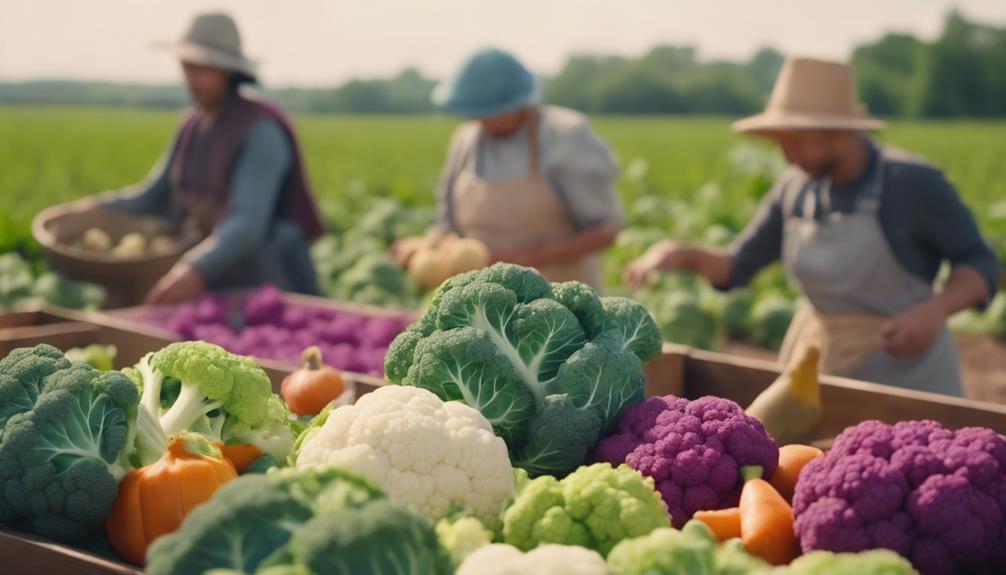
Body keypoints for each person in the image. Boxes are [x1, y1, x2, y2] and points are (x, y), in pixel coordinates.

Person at [625, 57, 1001, 396]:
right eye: (781, 142)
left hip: (907, 375)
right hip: (821, 367)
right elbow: (737, 266)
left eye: (798, 141)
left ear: (841, 132)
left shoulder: (911, 183)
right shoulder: (794, 187)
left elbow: (982, 265)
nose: (788, 154)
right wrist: (682, 254)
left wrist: (934, 312)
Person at [101, 12, 324, 304]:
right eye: (188, 67)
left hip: (269, 286)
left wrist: (195, 269)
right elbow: (154, 193)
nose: (193, 78)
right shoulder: (193, 124)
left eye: (204, 69)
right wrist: (95, 208)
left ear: (228, 71)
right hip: (217, 281)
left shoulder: (261, 131)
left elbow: (247, 223)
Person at [415, 47, 624, 289]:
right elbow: (447, 224)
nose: (481, 121)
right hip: (480, 302)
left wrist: (525, 259)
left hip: (559, 305)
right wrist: (426, 249)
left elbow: (606, 230)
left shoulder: (564, 135)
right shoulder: (465, 140)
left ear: (519, 104)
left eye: (490, 113)